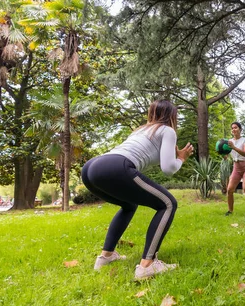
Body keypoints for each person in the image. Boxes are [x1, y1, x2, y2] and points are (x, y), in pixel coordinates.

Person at [81, 100, 194, 280]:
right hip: (116, 166)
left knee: (129, 205)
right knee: (168, 204)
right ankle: (147, 265)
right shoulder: (168, 130)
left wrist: (174, 156)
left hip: (91, 168)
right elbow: (168, 169)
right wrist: (181, 158)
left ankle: (106, 256)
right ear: (172, 116)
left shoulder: (143, 130)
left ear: (152, 113)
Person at [224, 122, 245, 215]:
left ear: (240, 129)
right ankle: (230, 211)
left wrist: (234, 147)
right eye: (232, 128)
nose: (234, 129)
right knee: (229, 189)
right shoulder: (229, 141)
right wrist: (223, 153)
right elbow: (226, 155)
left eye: (236, 127)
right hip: (236, 168)